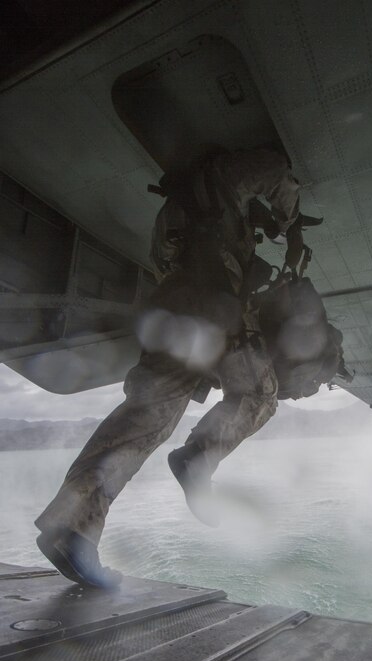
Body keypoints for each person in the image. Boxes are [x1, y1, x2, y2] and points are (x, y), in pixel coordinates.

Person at [35, 146, 304, 589]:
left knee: (144, 419)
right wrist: (287, 222)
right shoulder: (222, 178)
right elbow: (277, 172)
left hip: (173, 311)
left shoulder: (174, 216)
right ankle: (197, 457)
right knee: (259, 393)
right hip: (214, 306)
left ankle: (72, 527)